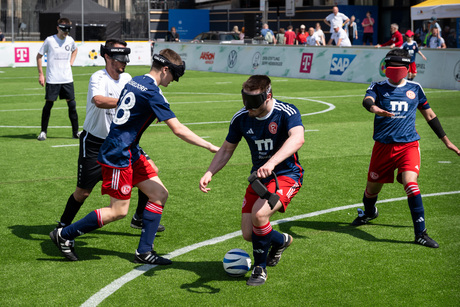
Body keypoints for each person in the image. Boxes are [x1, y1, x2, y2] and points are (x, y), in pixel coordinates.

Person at [49, 48, 220, 262]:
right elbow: (178, 129)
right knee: (118, 211)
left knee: (159, 194)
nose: (173, 81)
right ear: (165, 69)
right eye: (174, 76)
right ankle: (64, 235)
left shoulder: (135, 80)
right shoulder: (152, 92)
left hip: (130, 150)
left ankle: (144, 251)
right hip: (118, 153)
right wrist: (210, 146)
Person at [199, 75, 305, 286]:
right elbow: (227, 148)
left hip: (286, 174)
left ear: (268, 96)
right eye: (245, 101)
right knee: (249, 234)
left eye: (254, 102)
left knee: (260, 215)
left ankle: (260, 268)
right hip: (259, 179)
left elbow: (298, 138)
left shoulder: (286, 112)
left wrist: (272, 163)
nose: (249, 108)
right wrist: (210, 171)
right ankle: (281, 240)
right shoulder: (241, 118)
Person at [54, 39, 165, 235]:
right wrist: (129, 101)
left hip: (122, 143)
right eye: (120, 57)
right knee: (83, 192)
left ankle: (139, 218)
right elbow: (98, 100)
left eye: (125, 57)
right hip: (95, 142)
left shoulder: (128, 78)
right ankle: (63, 226)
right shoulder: (98, 77)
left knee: (151, 171)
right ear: (107, 56)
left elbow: (150, 95)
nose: (124, 62)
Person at [352, 48, 460, 248]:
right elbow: (367, 101)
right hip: (383, 147)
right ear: (385, 68)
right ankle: (369, 212)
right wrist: (374, 108)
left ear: (407, 68)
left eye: (398, 67)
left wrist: (446, 141)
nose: (394, 71)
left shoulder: (416, 88)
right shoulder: (377, 86)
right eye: (391, 67)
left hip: (408, 146)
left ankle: (421, 233)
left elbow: (430, 115)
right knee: (371, 191)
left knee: (411, 184)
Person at [36, 18, 79, 141]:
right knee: (48, 105)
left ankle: (75, 132)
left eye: (68, 30)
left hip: (67, 78)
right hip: (53, 79)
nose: (65, 33)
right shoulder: (49, 40)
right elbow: (39, 56)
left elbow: (75, 49)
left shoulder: (70, 40)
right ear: (57, 28)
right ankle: (43, 132)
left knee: (72, 105)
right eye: (63, 30)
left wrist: (71, 62)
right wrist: (41, 74)